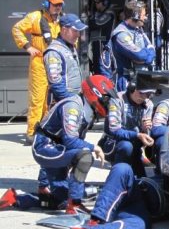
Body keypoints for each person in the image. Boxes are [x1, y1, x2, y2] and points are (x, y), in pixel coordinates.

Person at [0, 75, 112, 214]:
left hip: (58, 150)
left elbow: (73, 141)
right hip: (44, 147)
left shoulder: (87, 109)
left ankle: (16, 198)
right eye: (106, 99)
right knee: (85, 156)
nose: (108, 104)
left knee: (59, 201)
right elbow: (71, 140)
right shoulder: (73, 107)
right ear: (94, 93)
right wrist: (94, 147)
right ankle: (74, 205)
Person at [67, 162, 164, 229]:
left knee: (141, 225)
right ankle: (97, 219)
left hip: (142, 213)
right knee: (122, 168)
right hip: (137, 191)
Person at [11, 0, 64, 142]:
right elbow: (17, 29)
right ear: (48, 4)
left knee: (52, 100)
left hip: (56, 64)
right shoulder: (35, 17)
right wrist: (27, 46)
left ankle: (46, 129)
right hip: (39, 63)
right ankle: (32, 132)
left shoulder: (62, 20)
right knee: (38, 99)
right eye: (55, 5)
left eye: (60, 5)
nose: (57, 8)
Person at [98, 83, 160, 178]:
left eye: (147, 94)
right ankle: (117, 176)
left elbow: (145, 136)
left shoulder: (148, 104)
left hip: (135, 145)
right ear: (132, 89)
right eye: (141, 93)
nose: (144, 97)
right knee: (126, 146)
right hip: (113, 143)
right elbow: (114, 130)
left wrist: (146, 129)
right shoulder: (117, 99)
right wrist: (137, 135)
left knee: (141, 182)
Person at [109, 1, 155, 92]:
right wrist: (145, 55)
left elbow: (152, 49)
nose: (145, 18)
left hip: (141, 78)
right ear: (136, 16)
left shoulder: (138, 29)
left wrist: (145, 58)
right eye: (143, 15)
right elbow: (139, 55)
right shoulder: (121, 34)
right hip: (126, 81)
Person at [44, 13, 86, 105]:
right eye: (75, 31)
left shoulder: (70, 47)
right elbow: (56, 83)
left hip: (74, 100)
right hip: (64, 103)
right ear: (64, 30)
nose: (78, 35)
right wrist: (71, 99)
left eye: (79, 31)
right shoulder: (54, 51)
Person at [88, 0, 115, 75]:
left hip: (104, 46)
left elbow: (97, 23)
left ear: (105, 2)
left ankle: (108, 88)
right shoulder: (99, 13)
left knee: (104, 71)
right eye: (95, 2)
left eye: (98, 2)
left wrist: (90, 17)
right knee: (97, 72)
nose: (96, 4)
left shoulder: (109, 13)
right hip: (97, 45)